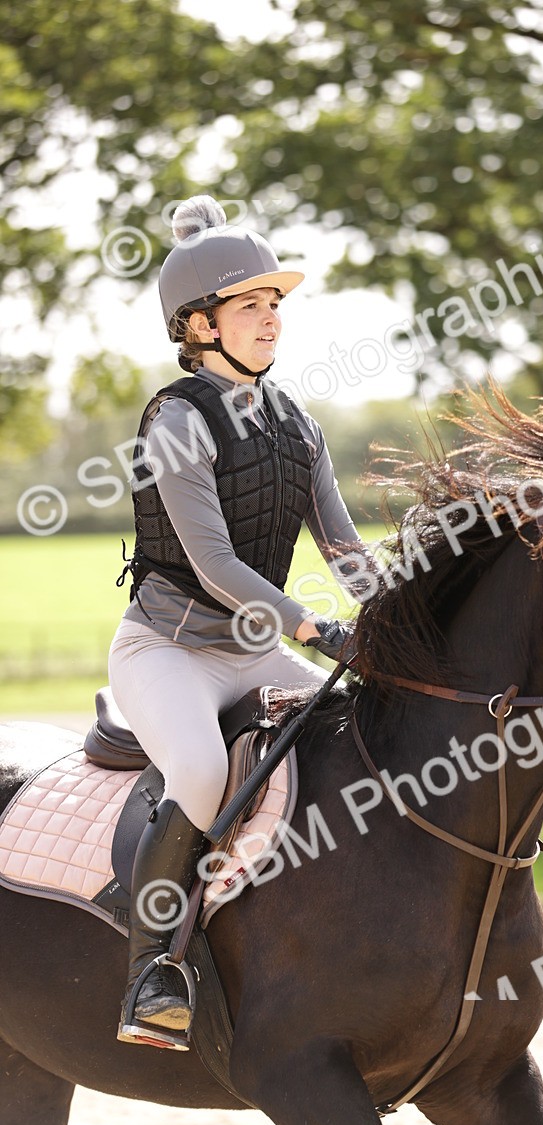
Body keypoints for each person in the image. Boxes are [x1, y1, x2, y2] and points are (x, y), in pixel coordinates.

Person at [109, 195, 370, 1048]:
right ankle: (155, 971)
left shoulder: (298, 422)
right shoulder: (176, 420)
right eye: (251, 306)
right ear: (197, 325)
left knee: (360, 729)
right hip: (170, 649)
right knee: (196, 767)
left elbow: (343, 547)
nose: (271, 322)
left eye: (276, 306)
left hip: (253, 649)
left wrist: (396, 613)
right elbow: (217, 564)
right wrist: (313, 630)